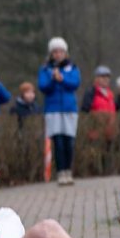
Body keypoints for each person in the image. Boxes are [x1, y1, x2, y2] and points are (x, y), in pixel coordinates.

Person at [38, 37, 81, 186]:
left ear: (65, 53)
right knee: (58, 142)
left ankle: (68, 171)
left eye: (60, 51)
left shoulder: (72, 68)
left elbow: (75, 84)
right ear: (51, 53)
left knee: (69, 142)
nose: (58, 54)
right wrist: (53, 79)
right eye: (55, 52)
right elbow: (43, 87)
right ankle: (61, 172)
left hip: (69, 109)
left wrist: (62, 78)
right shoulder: (45, 69)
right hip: (53, 110)